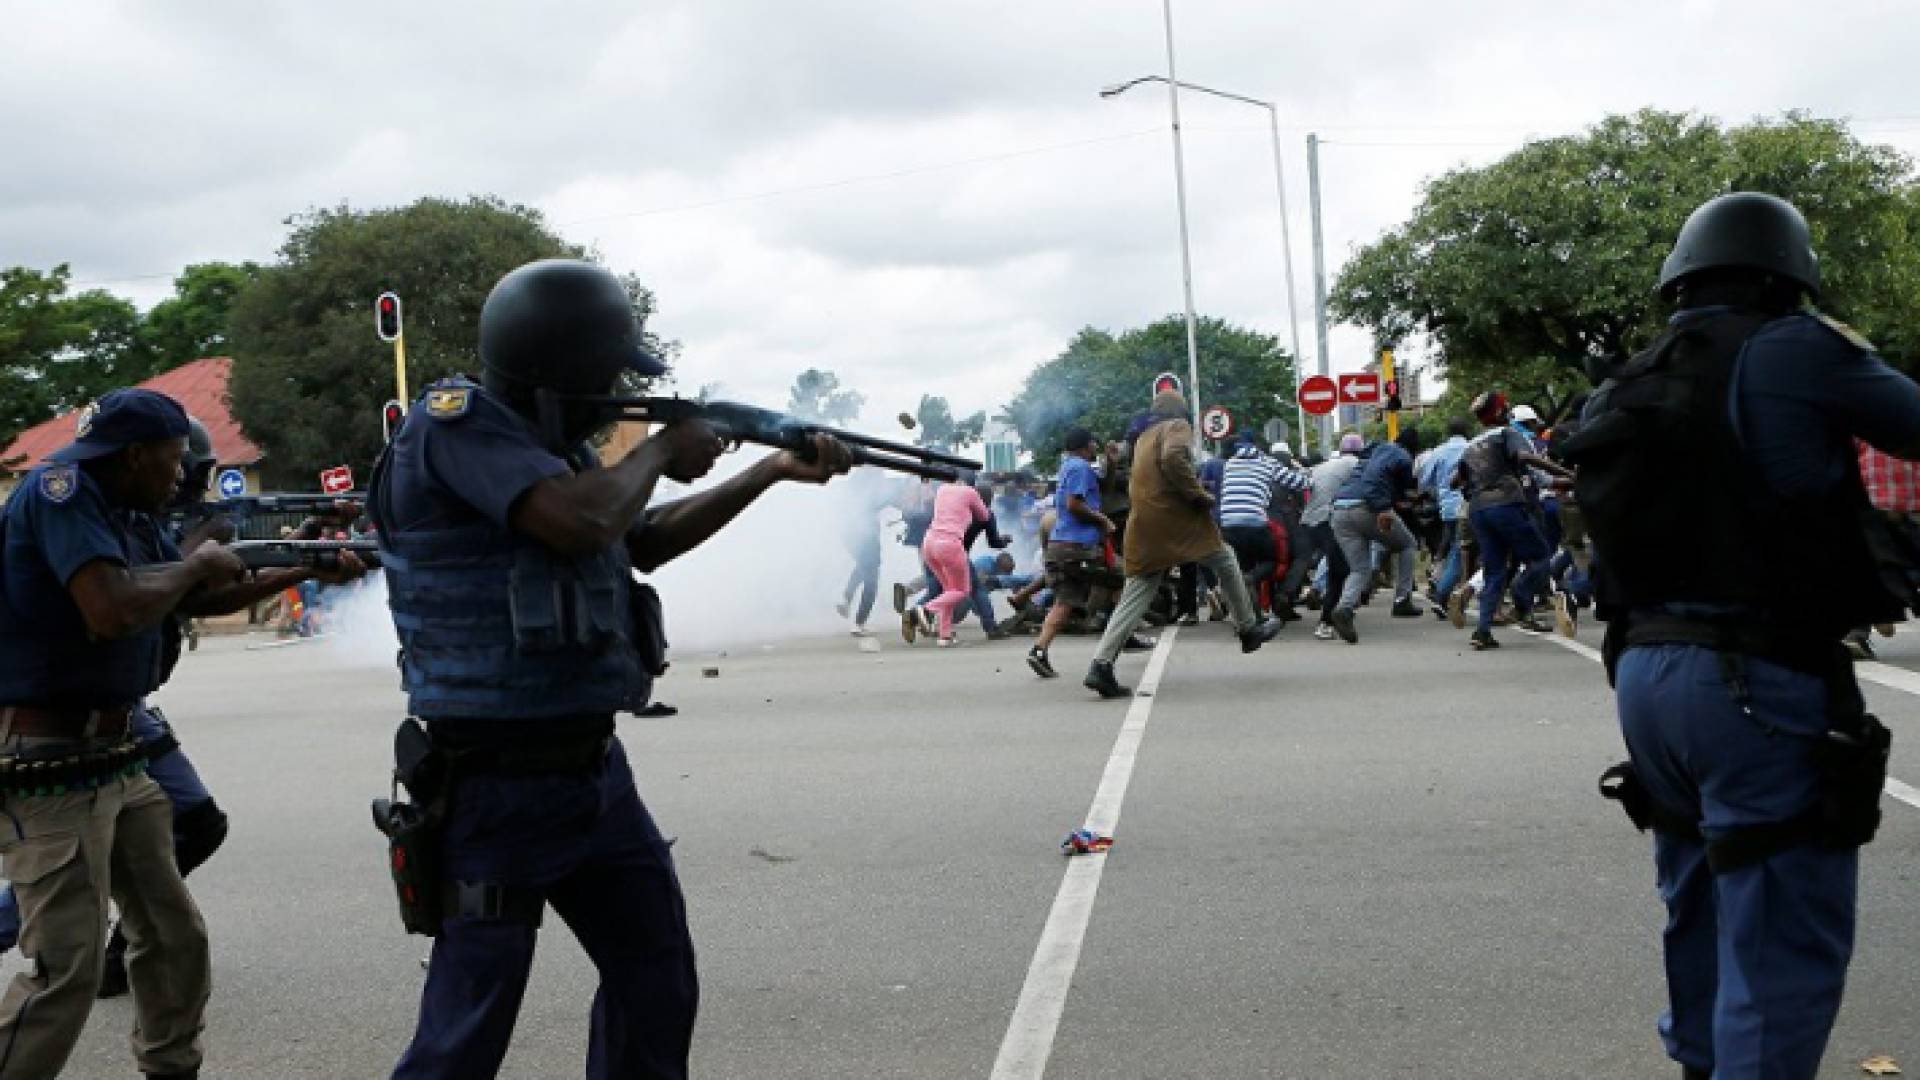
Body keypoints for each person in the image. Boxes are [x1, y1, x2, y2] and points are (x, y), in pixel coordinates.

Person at [368, 259, 852, 1078]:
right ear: (562, 362)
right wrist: (662, 447)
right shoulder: (455, 429)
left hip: (591, 771)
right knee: (466, 1029)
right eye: (612, 368)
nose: (622, 384)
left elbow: (639, 540)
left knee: (654, 975)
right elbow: (581, 523)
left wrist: (766, 471)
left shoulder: (553, 450)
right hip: (493, 785)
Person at [1564, 192, 1920, 1080]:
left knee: (1699, 902)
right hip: (1753, 678)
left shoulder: (1633, 375)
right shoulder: (1798, 348)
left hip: (1645, 677)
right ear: (1786, 274)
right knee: (1782, 934)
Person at [0, 389, 248, 1078]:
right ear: (135, 455)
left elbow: (184, 593)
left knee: (172, 935)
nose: (181, 476)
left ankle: (171, 1068)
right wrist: (201, 561)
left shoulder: (128, 510)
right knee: (66, 970)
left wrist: (304, 567)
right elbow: (110, 609)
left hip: (111, 753)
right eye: (173, 461)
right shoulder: (61, 492)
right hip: (47, 756)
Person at [1082, 391, 1281, 698]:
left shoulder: (1143, 437)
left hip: (1144, 522)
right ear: (1180, 412)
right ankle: (1248, 628)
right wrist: (1197, 494)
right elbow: (1173, 458)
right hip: (1175, 517)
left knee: (1137, 591)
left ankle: (1101, 664)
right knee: (1225, 558)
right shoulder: (1176, 427)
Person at [1454, 392, 1571, 650]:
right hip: (1506, 503)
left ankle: (1482, 631)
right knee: (1540, 556)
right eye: (1504, 406)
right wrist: (1567, 473)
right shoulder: (1507, 434)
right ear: (1499, 412)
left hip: (1478, 510)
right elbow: (1525, 459)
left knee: (1495, 569)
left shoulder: (1471, 445)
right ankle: (1521, 594)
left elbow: (1456, 481)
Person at [1027, 428, 1115, 678]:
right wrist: (1103, 520)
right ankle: (1125, 636)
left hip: (1060, 545)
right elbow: (1074, 504)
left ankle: (1039, 650)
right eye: (1094, 444)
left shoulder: (1069, 467)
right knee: (1123, 578)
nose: (1096, 448)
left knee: (1064, 602)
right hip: (1079, 547)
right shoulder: (1080, 468)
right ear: (1086, 445)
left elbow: (1099, 490)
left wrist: (1111, 462)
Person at [1325, 429, 1424, 642]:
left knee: (1359, 568)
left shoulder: (1373, 452)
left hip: (1339, 510)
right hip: (1368, 507)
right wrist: (1383, 508)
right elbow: (1396, 489)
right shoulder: (1401, 455)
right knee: (1407, 544)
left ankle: (1345, 608)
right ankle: (1402, 600)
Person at [904, 479, 1004, 646]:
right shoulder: (972, 497)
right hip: (951, 548)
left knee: (948, 591)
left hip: (929, 544)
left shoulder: (943, 490)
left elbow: (927, 512)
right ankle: (921, 610)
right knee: (963, 591)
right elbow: (984, 516)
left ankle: (945, 635)